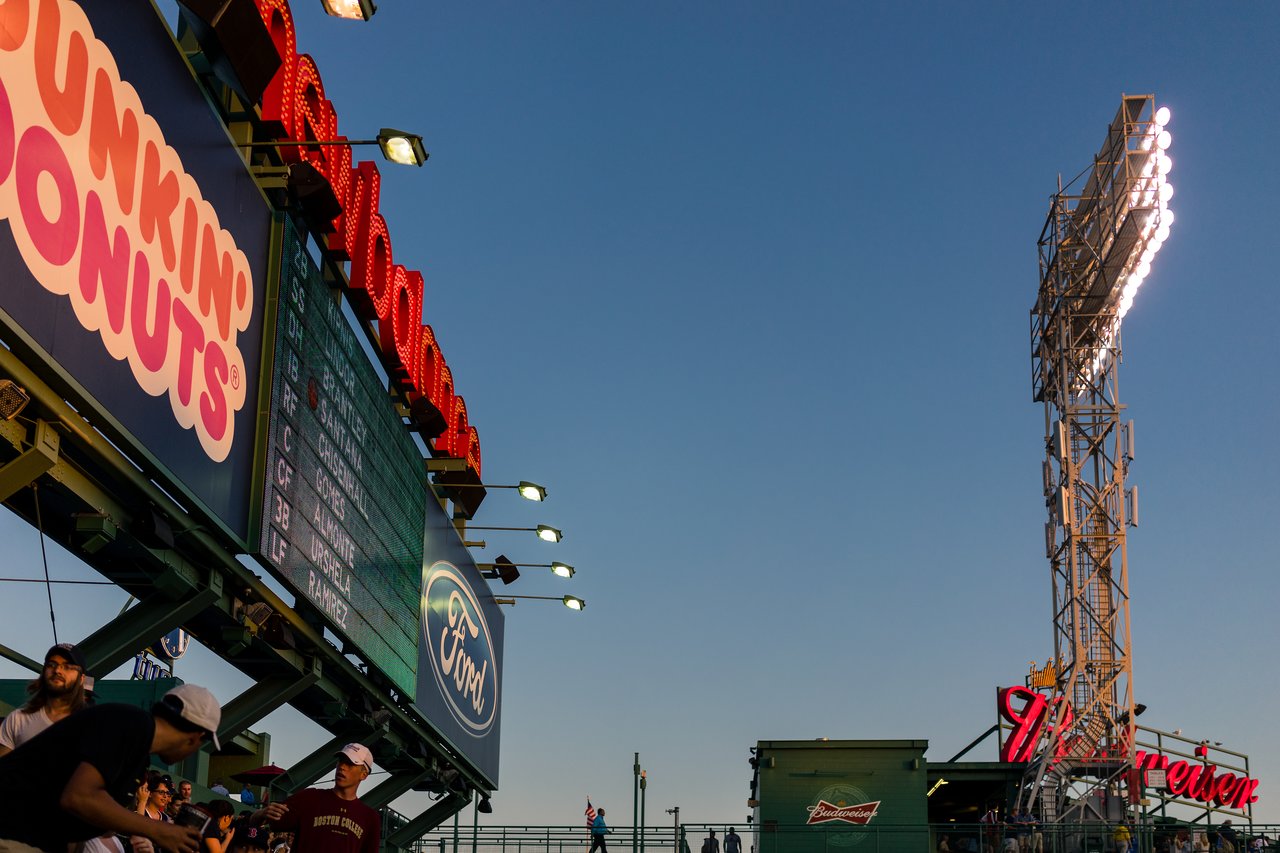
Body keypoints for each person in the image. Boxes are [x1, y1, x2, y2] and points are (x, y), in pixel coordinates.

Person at [0, 682, 221, 853]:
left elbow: (94, 811)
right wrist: (158, 829)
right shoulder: (131, 725)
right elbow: (79, 797)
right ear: (196, 737)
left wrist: (142, 833)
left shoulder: (137, 747)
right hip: (13, 832)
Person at [253, 743, 379, 853]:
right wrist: (262, 813)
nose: (342, 767)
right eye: (340, 761)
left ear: (364, 775)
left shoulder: (369, 818)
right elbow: (259, 823)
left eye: (350, 764)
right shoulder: (309, 798)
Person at [0, 642, 90, 756]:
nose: (57, 670)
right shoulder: (17, 719)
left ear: (81, 678)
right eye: (52, 664)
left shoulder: (91, 725)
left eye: (67, 667)